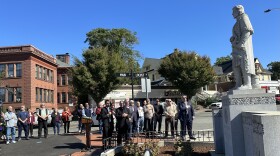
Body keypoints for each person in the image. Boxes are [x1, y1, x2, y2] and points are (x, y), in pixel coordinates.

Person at [230, 5, 257, 90]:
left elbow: (247, 31)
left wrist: (241, 43)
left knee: (245, 63)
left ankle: (247, 84)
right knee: (236, 65)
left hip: (243, 46)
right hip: (236, 48)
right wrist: (233, 38)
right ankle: (238, 84)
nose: (232, 14)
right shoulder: (236, 22)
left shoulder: (244, 17)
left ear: (239, 11)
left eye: (233, 11)